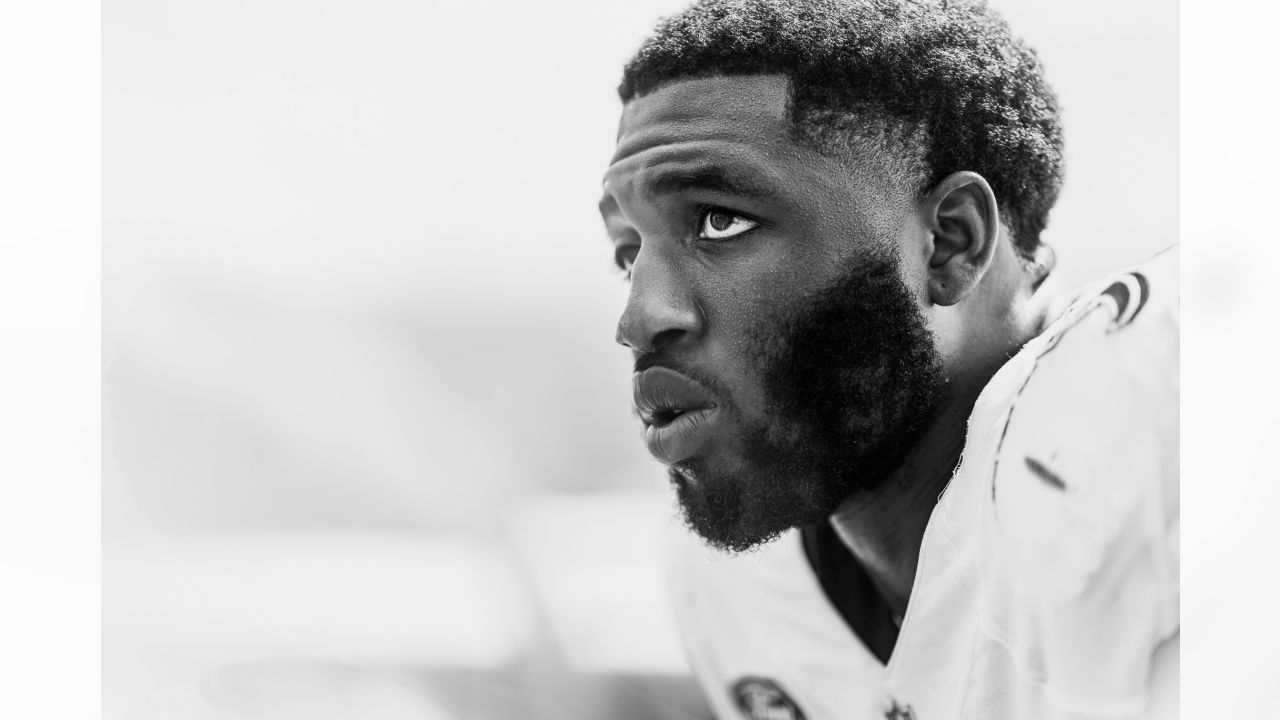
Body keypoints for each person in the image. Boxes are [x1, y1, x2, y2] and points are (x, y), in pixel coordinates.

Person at [596, 1, 1178, 718]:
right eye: (629, 253)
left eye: (721, 221)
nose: (639, 319)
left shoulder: (1154, 415)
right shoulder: (733, 584)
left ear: (951, 242)